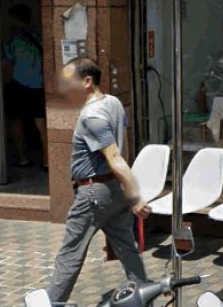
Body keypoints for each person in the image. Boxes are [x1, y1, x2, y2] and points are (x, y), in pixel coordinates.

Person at [46, 57, 150, 304]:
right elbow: (122, 147)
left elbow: (114, 156)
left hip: (94, 193)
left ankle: (52, 302)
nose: (64, 88)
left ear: (87, 82)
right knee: (127, 249)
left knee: (70, 254)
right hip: (113, 190)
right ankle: (145, 297)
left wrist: (135, 197)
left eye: (68, 82)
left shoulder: (92, 116)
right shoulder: (113, 102)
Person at [2, 4, 46, 169]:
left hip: (17, 84)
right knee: (41, 122)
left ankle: (22, 157)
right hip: (39, 84)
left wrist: (7, 81)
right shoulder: (40, 35)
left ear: (13, 18)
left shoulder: (11, 39)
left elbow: (7, 65)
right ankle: (48, 160)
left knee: (15, 120)